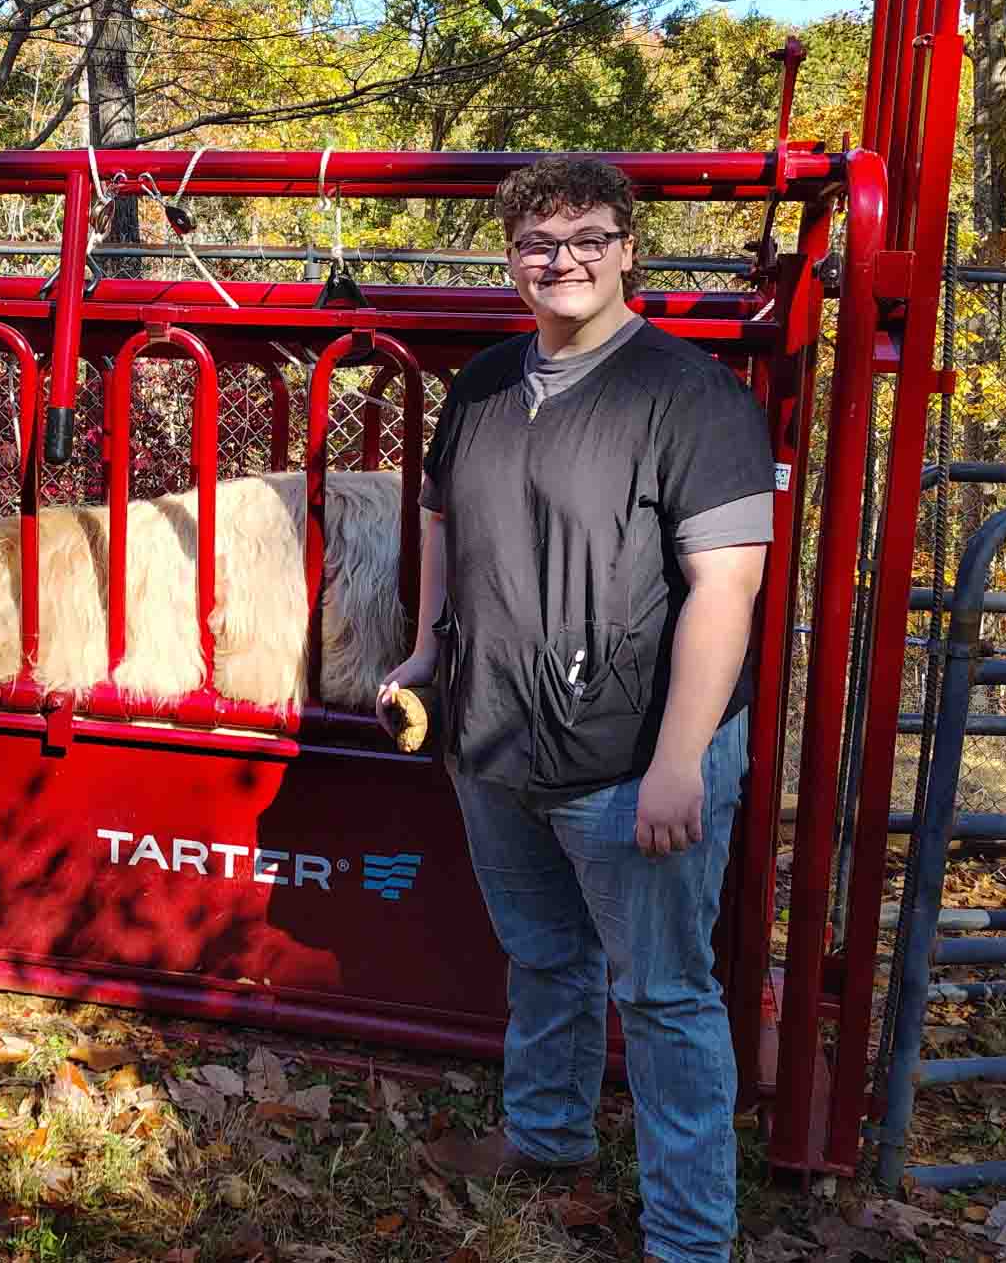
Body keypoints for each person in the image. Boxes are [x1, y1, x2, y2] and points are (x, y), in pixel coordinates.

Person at [379, 157, 772, 1263]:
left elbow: (724, 586)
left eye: (587, 237)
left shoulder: (691, 397)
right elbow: (445, 528)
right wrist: (421, 655)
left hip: (630, 756)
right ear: (509, 258)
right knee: (543, 955)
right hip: (492, 733)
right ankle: (546, 1139)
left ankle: (690, 1239)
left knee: (662, 997)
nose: (562, 260)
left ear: (627, 249)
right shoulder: (483, 385)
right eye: (538, 243)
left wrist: (680, 761)